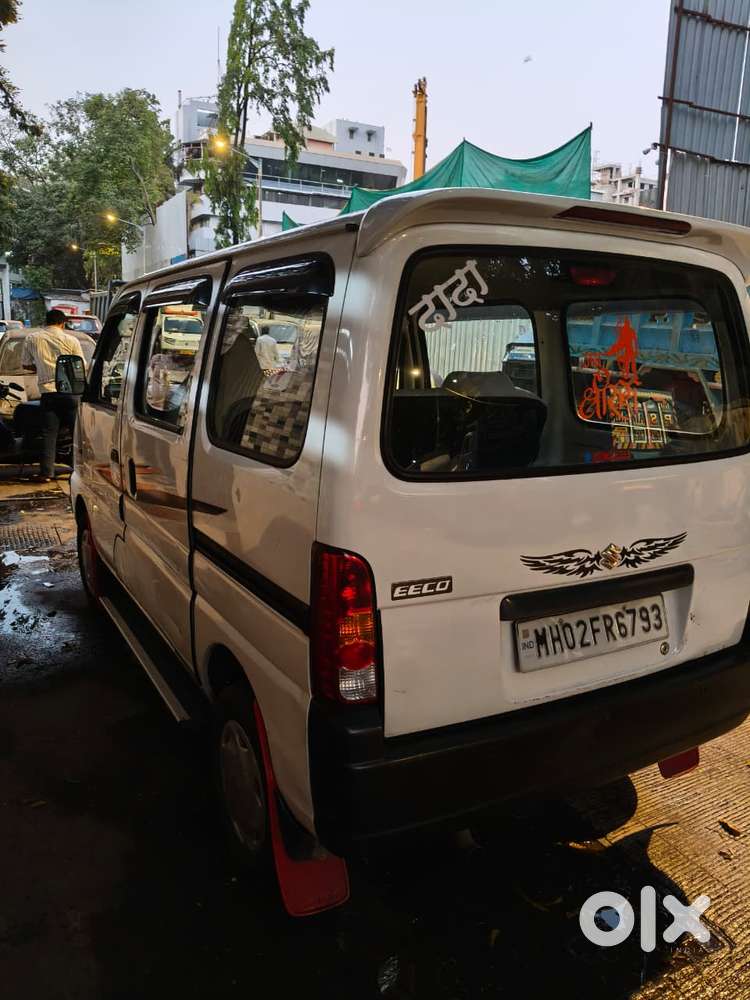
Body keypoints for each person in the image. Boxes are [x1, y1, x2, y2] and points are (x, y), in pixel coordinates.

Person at [22, 308, 86, 482]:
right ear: (62, 323)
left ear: (46, 321)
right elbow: (81, 365)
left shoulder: (32, 338)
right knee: (77, 434)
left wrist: (42, 367)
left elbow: (25, 364)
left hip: (48, 393)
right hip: (71, 392)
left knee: (49, 434)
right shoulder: (72, 340)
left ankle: (46, 473)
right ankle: (81, 471)